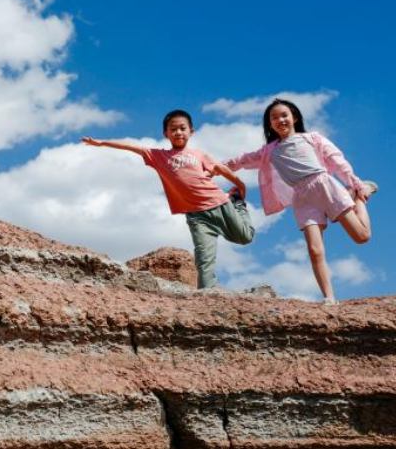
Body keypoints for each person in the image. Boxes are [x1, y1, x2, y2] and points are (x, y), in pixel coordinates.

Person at [223, 98, 377, 304]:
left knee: (362, 236)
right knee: (314, 249)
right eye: (274, 118)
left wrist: (356, 184)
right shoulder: (269, 151)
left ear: (294, 118)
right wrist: (212, 167)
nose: (280, 120)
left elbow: (338, 161)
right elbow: (241, 160)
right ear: (270, 124)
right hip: (302, 198)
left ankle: (359, 196)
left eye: (284, 115)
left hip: (324, 186)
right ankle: (329, 298)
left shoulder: (312, 138)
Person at [82, 109, 254, 289]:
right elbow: (132, 146)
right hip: (197, 216)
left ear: (191, 131)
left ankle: (239, 205)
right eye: (173, 129)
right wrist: (102, 143)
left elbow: (219, 168)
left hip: (220, 203)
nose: (178, 132)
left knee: (244, 237)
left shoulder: (198, 154)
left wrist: (240, 184)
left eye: (182, 128)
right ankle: (207, 294)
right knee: (204, 257)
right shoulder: (159, 156)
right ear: (166, 133)